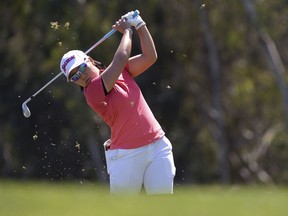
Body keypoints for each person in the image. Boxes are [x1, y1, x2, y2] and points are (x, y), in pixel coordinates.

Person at [60, 11, 176, 195]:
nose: (80, 75)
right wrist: (127, 31)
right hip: (126, 156)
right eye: (73, 75)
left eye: (81, 67)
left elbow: (150, 57)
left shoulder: (119, 72)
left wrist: (139, 24)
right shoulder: (93, 91)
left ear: (89, 60)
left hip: (157, 147)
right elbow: (121, 57)